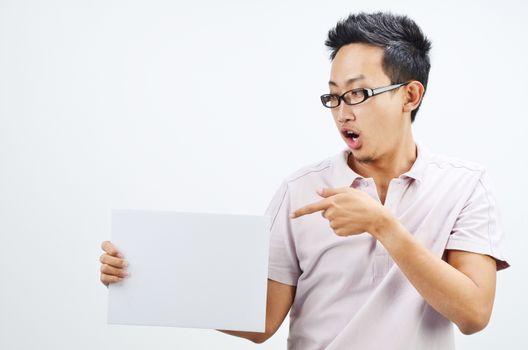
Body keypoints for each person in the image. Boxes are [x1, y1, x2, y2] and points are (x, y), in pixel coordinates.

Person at [99, 12, 509, 350]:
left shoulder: (464, 186)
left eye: (357, 94)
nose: (342, 112)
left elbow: (473, 314)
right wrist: (147, 279)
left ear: (410, 95)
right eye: (333, 96)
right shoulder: (301, 189)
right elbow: (261, 322)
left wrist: (382, 225)